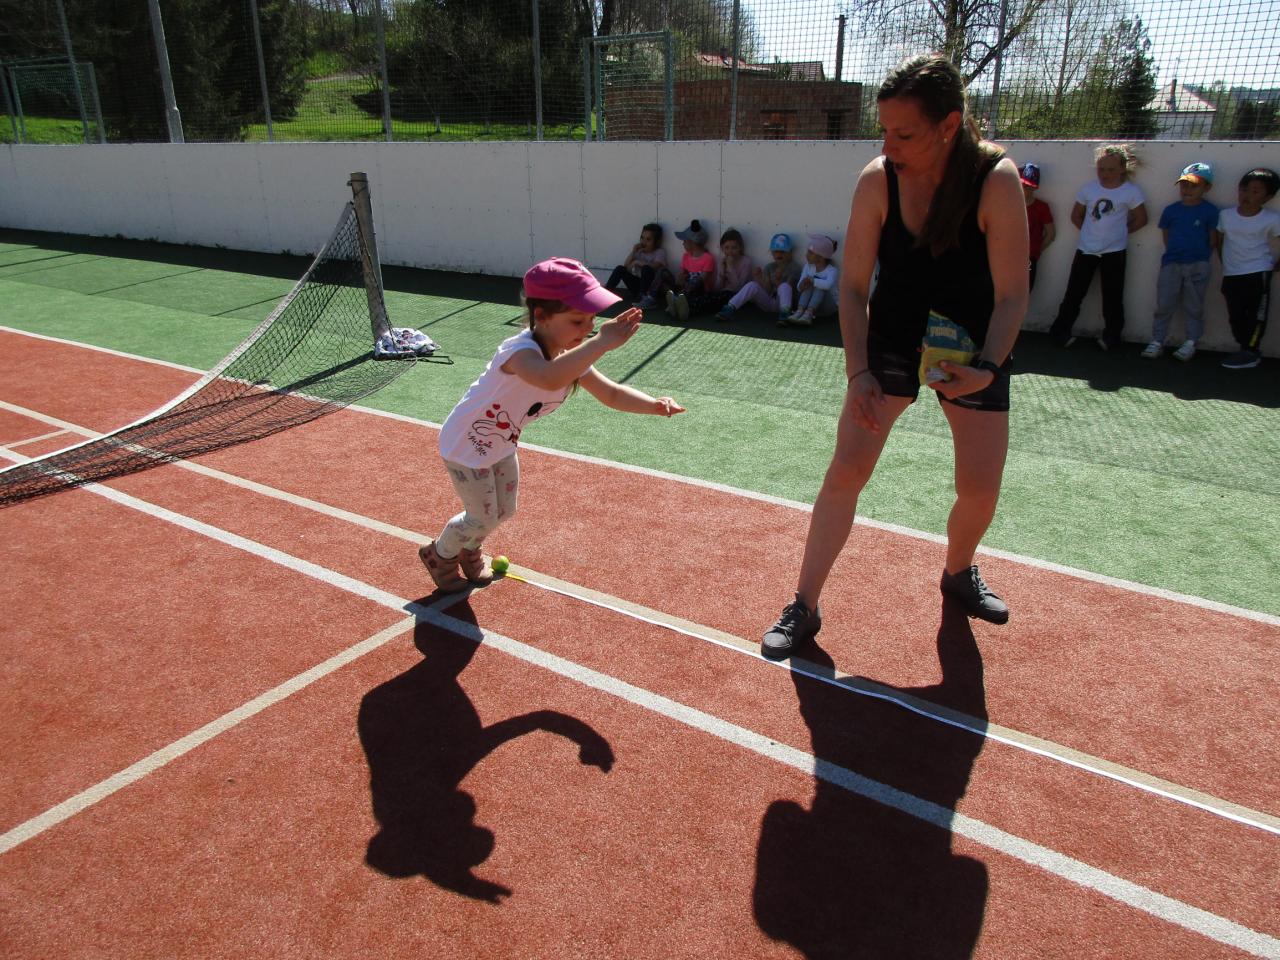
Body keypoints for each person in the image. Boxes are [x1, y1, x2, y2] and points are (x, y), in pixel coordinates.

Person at [761, 53, 1029, 659]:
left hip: (974, 347)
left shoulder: (995, 180)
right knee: (846, 472)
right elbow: (854, 287)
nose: (888, 146)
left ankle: (958, 572)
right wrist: (858, 372)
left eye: (903, 134)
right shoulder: (877, 179)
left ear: (949, 125)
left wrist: (986, 368)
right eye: (883, 130)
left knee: (979, 488)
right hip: (891, 339)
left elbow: (1013, 294)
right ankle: (805, 605)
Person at [420, 257, 686, 591]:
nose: (588, 328)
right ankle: (440, 554)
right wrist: (601, 342)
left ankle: (469, 548)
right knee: (482, 515)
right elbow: (547, 378)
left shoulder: (567, 356)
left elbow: (611, 394)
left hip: (501, 444)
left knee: (504, 511)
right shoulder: (519, 351)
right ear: (541, 316)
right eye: (577, 320)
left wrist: (655, 405)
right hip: (466, 444)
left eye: (591, 319)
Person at [1048, 143, 1148, 351]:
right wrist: (1089, 234)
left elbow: (1141, 219)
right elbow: (1076, 216)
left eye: (1111, 170)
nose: (1105, 174)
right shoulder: (1089, 189)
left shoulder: (1130, 192)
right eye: (1101, 169)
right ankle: (1059, 332)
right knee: (1074, 293)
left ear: (1122, 169)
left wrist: (1119, 234)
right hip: (1086, 250)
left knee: (1113, 297)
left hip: (1115, 253)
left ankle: (1112, 337)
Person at [1142, 162, 1219, 362]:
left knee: (1194, 306)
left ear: (1207, 188)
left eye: (1194, 186)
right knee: (1164, 304)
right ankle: (1157, 341)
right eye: (1184, 185)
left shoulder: (1210, 211)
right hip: (1171, 263)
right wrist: (1175, 255)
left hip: (1198, 264)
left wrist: (1200, 258)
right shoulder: (1171, 210)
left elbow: (1213, 240)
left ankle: (1191, 342)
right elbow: (1167, 237)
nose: (1187, 189)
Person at [1214, 167, 1280, 370]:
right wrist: (1225, 262)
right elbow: (1219, 240)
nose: (1247, 195)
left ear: (1268, 197)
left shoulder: (1272, 219)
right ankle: (1243, 347)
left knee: (1256, 315)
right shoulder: (1225, 215)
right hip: (1232, 273)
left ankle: (1251, 351)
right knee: (1235, 314)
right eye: (1244, 189)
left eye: (1255, 191)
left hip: (1258, 272)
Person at [717, 232, 802, 322]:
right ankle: (730, 307)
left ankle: (785, 314)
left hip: (785, 304)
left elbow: (790, 289)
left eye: (782, 251)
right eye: (776, 251)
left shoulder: (794, 267)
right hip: (770, 303)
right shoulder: (770, 267)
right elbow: (768, 290)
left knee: (784, 286)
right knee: (752, 284)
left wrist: (779, 281)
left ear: (790, 252)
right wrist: (759, 277)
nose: (779, 254)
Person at [651, 219, 716, 321]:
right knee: (662, 271)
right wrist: (679, 280)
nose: (683, 244)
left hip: (698, 292)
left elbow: (703, 280)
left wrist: (685, 287)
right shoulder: (686, 256)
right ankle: (651, 298)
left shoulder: (708, 258)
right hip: (682, 289)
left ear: (692, 242)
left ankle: (675, 303)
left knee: (696, 281)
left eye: (684, 241)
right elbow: (682, 275)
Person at [690, 228, 753, 316]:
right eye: (726, 248)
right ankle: (683, 303)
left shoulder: (746, 262)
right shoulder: (721, 261)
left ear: (740, 248)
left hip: (736, 298)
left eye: (734, 248)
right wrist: (722, 274)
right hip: (721, 295)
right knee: (705, 294)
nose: (730, 251)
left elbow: (738, 289)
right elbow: (717, 288)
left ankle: (689, 308)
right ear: (722, 248)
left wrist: (730, 267)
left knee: (716, 299)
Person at [783, 235, 840, 327]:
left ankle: (809, 313)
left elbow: (828, 285)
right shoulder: (808, 267)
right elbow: (799, 287)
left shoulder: (832, 270)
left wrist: (813, 280)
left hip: (827, 308)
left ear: (821, 257)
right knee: (809, 283)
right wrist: (802, 285)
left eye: (810, 253)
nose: (806, 255)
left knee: (819, 285)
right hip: (805, 308)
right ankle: (800, 311)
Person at [606, 223, 667, 304]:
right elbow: (626, 266)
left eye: (648, 240)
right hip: (637, 287)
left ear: (657, 242)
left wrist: (637, 262)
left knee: (646, 269)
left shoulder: (660, 252)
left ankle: (644, 297)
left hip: (651, 289)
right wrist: (633, 251)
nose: (644, 242)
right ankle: (606, 292)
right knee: (620, 268)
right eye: (642, 238)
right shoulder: (639, 251)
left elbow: (655, 266)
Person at [1019, 162, 1055, 290]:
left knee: (1024, 291)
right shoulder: (1009, 205)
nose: (1026, 188)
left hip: (1029, 258)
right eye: (1023, 184)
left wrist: (1036, 250)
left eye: (1030, 185)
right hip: (1009, 256)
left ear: (1035, 187)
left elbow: (1050, 234)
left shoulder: (1042, 207)